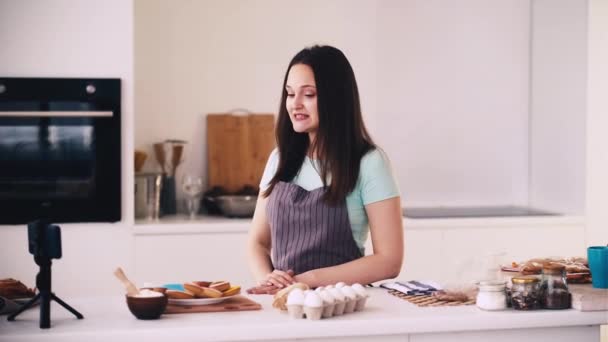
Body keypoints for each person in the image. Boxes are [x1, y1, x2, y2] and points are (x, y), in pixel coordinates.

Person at [247, 45, 403, 294]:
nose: (295, 104)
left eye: (308, 94)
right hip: (283, 302)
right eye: (289, 94)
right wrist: (269, 280)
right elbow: (258, 242)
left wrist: (309, 279)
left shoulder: (370, 162)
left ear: (336, 98)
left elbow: (389, 260)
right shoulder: (279, 159)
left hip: (344, 304)